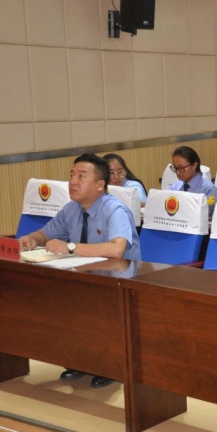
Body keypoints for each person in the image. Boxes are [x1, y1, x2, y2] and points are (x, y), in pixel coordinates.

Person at [18, 153, 141, 388]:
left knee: (92, 305)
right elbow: (45, 234)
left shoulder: (115, 209)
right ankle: (81, 360)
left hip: (120, 282)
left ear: (100, 185)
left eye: (81, 176)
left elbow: (117, 249)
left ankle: (109, 365)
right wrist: (31, 238)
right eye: (72, 175)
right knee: (65, 301)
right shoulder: (71, 209)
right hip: (86, 278)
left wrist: (71, 247)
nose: (73, 181)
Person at [169, 146, 217, 215]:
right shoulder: (175, 187)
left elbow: (214, 216)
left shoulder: (209, 190)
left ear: (194, 165)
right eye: (175, 168)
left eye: (181, 168)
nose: (178, 172)